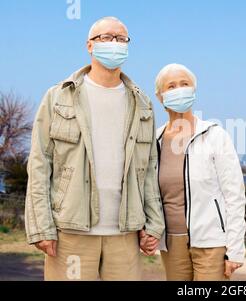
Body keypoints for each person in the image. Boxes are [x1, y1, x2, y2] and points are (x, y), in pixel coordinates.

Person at [24, 16, 164, 281]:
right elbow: (40, 164)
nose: (115, 44)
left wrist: (154, 224)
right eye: (107, 37)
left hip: (126, 235)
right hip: (71, 234)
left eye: (121, 39)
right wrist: (41, 227)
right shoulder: (58, 97)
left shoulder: (142, 103)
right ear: (89, 46)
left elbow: (149, 170)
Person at [145, 63, 246, 280]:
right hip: (171, 244)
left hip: (211, 242)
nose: (179, 89)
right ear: (160, 96)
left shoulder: (215, 135)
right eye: (171, 86)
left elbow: (234, 196)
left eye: (185, 84)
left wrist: (235, 249)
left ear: (194, 90)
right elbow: (148, 194)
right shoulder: (154, 141)